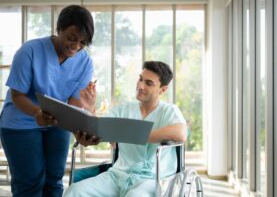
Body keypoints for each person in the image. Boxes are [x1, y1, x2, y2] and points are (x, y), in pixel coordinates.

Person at [0, 5, 95, 197]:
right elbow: (17, 95)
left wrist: (81, 128)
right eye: (71, 38)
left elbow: (74, 102)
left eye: (83, 42)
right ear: (58, 28)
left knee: (54, 180)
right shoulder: (29, 51)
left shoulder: (84, 61)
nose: (76, 46)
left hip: (57, 122)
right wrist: (36, 113)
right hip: (20, 122)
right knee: (31, 182)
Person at [64, 61, 188, 197]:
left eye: (148, 83)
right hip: (118, 174)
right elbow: (99, 128)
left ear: (162, 89)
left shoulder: (168, 111)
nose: (140, 86)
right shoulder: (124, 109)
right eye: (140, 79)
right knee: (74, 191)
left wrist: (137, 135)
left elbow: (181, 133)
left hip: (152, 179)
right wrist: (91, 107)